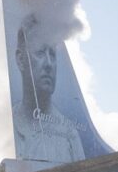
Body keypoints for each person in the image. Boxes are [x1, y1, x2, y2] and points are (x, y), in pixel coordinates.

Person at [12, 13, 86, 162]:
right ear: (20, 60)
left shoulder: (69, 134)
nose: (48, 64)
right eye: (40, 53)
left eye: (52, 54)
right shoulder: (9, 122)